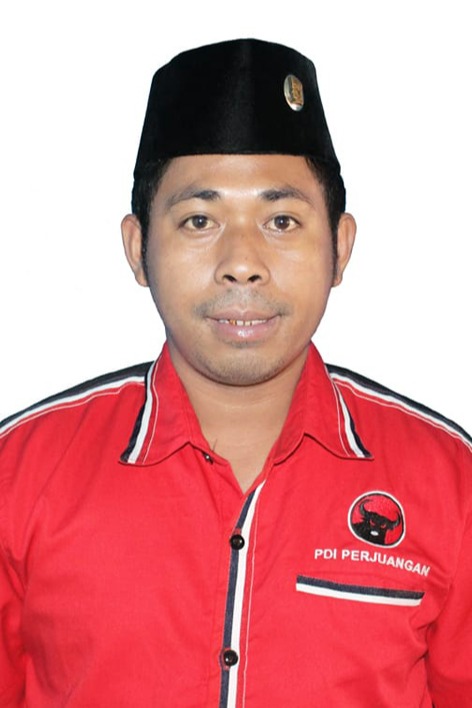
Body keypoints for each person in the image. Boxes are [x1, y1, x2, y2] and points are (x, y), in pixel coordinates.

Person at [0, 38, 470, 708]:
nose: (242, 263)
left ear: (340, 247)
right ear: (138, 248)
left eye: (281, 220)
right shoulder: (19, 474)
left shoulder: (451, 485)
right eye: (199, 219)